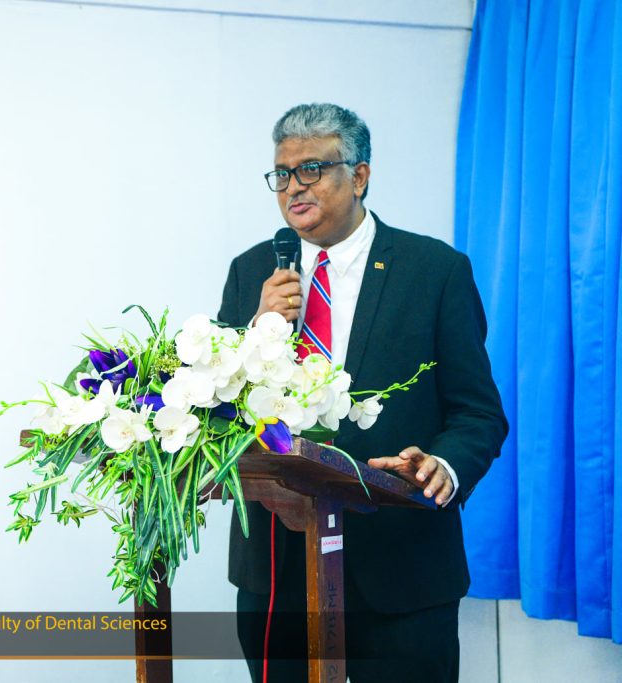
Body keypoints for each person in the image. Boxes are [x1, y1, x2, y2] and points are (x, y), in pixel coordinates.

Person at [217, 103, 508, 682]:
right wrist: (256, 329)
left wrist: (445, 466)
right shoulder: (253, 272)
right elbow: (218, 408)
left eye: (312, 169)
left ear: (359, 176)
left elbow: (478, 412)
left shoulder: (434, 270)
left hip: (402, 565)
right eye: (282, 173)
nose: (293, 187)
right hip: (278, 570)